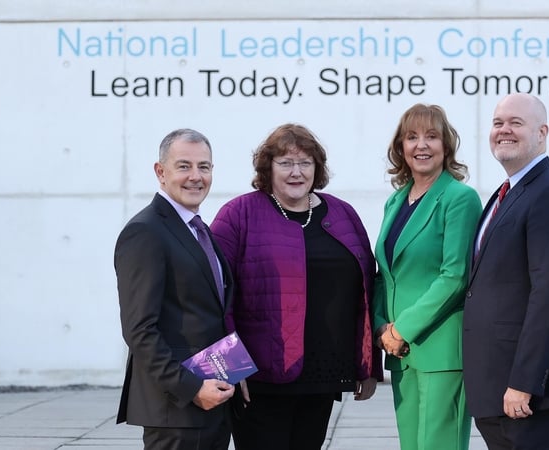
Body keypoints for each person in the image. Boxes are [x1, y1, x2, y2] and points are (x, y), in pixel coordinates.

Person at [210, 123, 383, 450]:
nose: (296, 172)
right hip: (258, 380)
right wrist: (229, 369)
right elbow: (213, 295)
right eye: (286, 163)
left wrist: (369, 364)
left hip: (323, 375)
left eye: (305, 163)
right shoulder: (238, 215)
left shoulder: (343, 214)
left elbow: (365, 292)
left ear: (317, 168)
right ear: (268, 167)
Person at [463, 93, 549, 450]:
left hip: (532, 395)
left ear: (542, 133)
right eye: (498, 123)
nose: (504, 130)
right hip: (496, 390)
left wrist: (524, 382)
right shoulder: (506, 194)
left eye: (516, 123)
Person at [114, 128, 236, 450]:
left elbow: (208, 314)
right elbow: (140, 331)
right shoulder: (145, 232)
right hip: (176, 407)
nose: (196, 176)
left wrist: (234, 372)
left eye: (204, 167)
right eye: (184, 166)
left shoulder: (199, 230)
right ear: (161, 172)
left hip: (212, 399)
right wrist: (192, 388)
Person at [373, 103, 482, 450]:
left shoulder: (460, 199)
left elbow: (455, 277)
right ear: (401, 147)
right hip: (400, 352)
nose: (421, 145)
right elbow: (385, 273)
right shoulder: (395, 202)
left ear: (445, 145)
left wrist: (401, 329)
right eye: (412, 137)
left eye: (431, 136)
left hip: (440, 350)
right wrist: (381, 328)